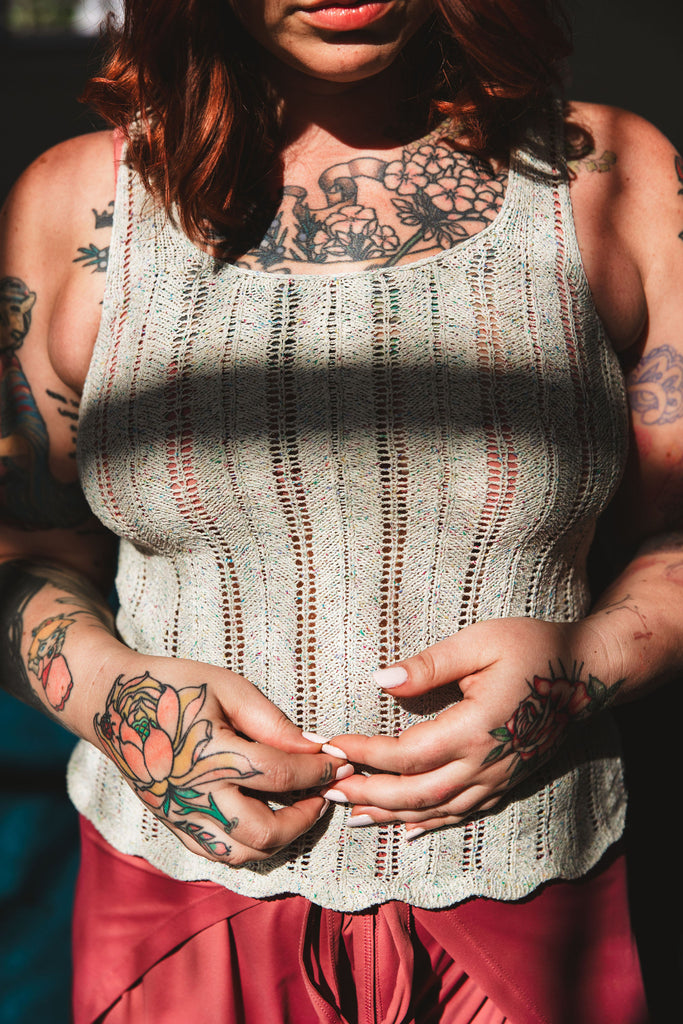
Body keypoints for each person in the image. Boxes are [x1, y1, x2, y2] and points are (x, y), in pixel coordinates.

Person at [0, 0, 681, 1020]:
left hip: (530, 899)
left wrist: (583, 668)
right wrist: (113, 697)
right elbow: (27, 549)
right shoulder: (75, 204)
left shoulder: (611, 174)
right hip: (180, 915)